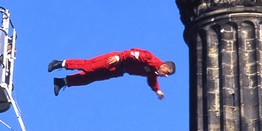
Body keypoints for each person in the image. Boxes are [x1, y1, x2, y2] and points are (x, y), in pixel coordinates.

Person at [48, 48, 176, 99]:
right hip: (116, 61)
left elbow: (152, 79)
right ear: (164, 65)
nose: (165, 76)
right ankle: (59, 63)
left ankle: (62, 82)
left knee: (90, 78)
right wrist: (119, 58)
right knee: (89, 67)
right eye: (167, 73)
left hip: (119, 71)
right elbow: (130, 53)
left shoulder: (154, 72)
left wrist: (157, 91)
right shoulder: (149, 58)